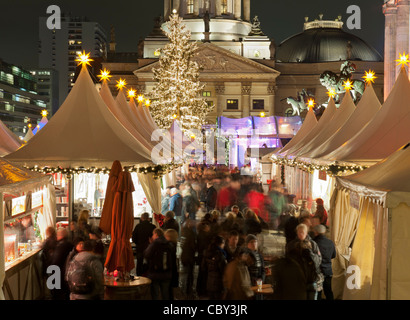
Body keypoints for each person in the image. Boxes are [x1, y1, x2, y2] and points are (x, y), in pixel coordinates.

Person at [286, 223, 323, 300]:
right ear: (296, 232)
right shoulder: (291, 245)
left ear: (306, 233)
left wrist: (311, 255)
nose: (301, 234)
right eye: (299, 232)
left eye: (302, 232)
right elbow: (287, 262)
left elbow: (318, 261)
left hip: (311, 279)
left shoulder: (313, 244)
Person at [144, 228, 174, 300]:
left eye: (153, 234)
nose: (152, 236)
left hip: (155, 273)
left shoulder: (154, 244)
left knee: (155, 293)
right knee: (165, 293)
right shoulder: (169, 244)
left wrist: (150, 244)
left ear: (156, 234)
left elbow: (146, 255)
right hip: (167, 272)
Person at [313, 224, 336, 300]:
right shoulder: (331, 243)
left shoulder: (314, 243)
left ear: (316, 232)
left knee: (318, 293)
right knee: (328, 291)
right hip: (328, 271)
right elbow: (333, 255)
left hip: (317, 271)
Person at [50, 227, 74, 300]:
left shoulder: (61, 246)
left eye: (57, 235)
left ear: (61, 235)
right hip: (67, 272)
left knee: (56, 294)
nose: (56, 236)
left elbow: (56, 261)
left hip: (58, 272)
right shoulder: (70, 244)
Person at [132, 212, 156, 276]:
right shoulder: (153, 226)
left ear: (142, 218)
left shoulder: (138, 226)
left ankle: (139, 275)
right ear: (148, 218)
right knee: (149, 262)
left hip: (140, 247)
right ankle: (148, 274)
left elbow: (134, 237)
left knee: (139, 262)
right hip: (150, 247)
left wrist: (137, 243)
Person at [204, 235, 228, 299]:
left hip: (209, 283)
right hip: (218, 284)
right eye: (224, 243)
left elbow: (203, 267)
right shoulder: (220, 255)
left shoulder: (208, 252)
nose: (224, 245)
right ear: (220, 244)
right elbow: (224, 270)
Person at [180, 219, 197, 299]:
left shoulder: (183, 232)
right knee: (189, 274)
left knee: (185, 274)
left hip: (184, 255)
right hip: (189, 256)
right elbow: (193, 246)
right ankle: (188, 290)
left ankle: (184, 290)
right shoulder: (191, 233)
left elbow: (182, 244)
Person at [164, 228, 179, 300]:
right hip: (173, 268)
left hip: (169, 268)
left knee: (168, 286)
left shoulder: (169, 245)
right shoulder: (174, 244)